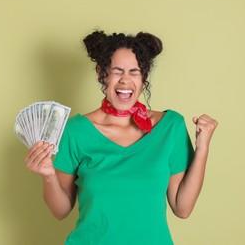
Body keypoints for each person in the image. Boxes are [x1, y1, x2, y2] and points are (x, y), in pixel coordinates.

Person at [25, 30, 218, 245]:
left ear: (144, 77)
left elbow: (182, 208)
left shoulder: (170, 127)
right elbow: (60, 211)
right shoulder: (76, 131)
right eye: (117, 71)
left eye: (134, 71)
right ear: (102, 74)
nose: (125, 80)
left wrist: (203, 149)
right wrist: (48, 175)